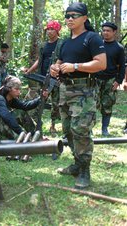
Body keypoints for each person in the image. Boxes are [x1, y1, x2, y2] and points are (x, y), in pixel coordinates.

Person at [50, 2, 106, 189]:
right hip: (65, 90)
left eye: (74, 15)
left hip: (84, 91)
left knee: (81, 130)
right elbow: (58, 62)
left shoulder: (92, 38)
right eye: (67, 16)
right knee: (67, 129)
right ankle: (77, 163)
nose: (70, 19)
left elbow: (101, 64)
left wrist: (75, 66)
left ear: (85, 18)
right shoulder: (65, 42)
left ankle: (84, 170)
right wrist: (55, 68)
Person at [23, 20, 63, 134]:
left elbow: (65, 58)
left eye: (52, 29)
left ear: (57, 31)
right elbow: (39, 60)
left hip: (56, 78)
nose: (49, 32)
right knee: (41, 100)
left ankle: (53, 125)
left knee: (56, 103)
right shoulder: (44, 45)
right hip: (43, 77)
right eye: (48, 29)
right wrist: (29, 71)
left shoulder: (61, 44)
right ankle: (37, 124)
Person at [0, 76, 46, 140]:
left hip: (4, 125)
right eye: (16, 89)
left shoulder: (11, 99)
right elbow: (8, 118)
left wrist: (40, 98)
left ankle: (35, 136)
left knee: (20, 112)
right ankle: (22, 140)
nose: (19, 92)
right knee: (1, 118)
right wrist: (21, 132)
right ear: (9, 89)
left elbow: (25, 106)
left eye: (19, 89)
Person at [96, 22, 125, 136]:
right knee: (92, 103)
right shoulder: (97, 45)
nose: (105, 33)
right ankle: (89, 128)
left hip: (110, 80)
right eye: (104, 30)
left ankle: (104, 129)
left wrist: (118, 81)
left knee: (107, 105)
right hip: (96, 79)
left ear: (114, 32)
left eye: (108, 31)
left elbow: (122, 66)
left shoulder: (119, 48)